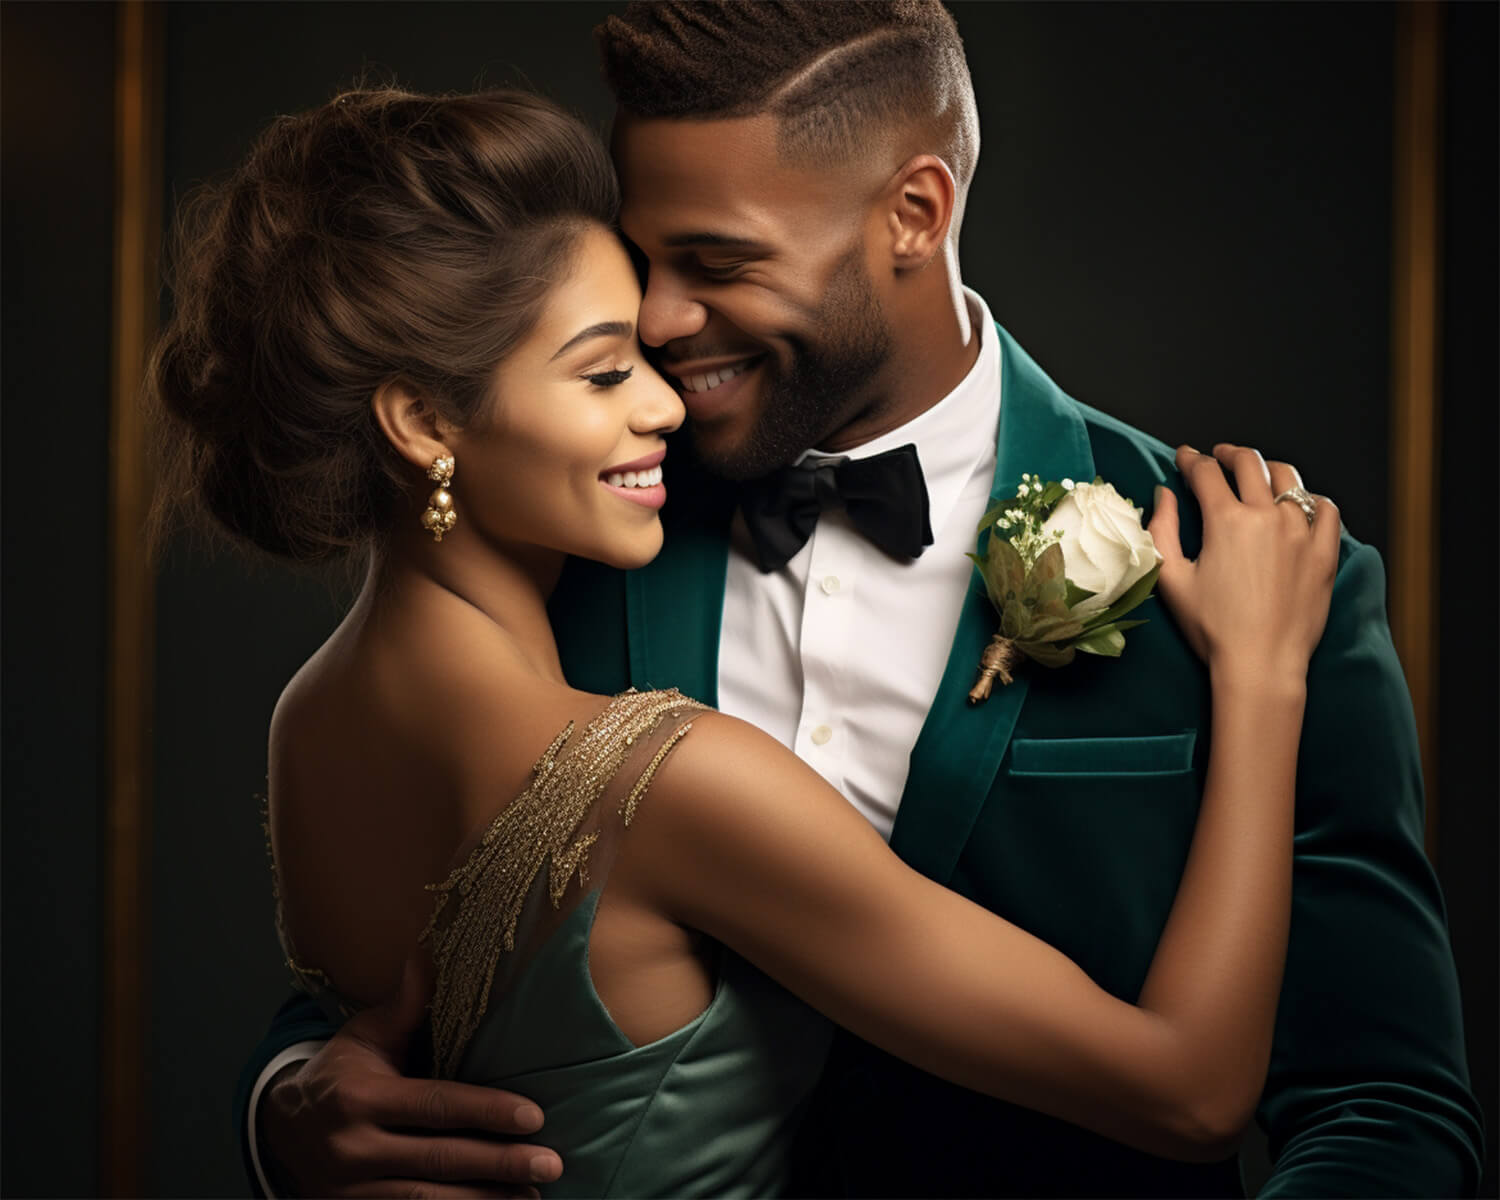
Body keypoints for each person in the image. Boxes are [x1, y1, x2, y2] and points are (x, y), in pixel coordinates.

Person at [236, 3, 1484, 1197]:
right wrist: (288, 1105)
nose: (664, 325)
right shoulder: (577, 529)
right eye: (643, 262)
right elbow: (424, 956)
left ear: (915, 212)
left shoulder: (1246, 569)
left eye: (717, 262)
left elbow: (1384, 1105)